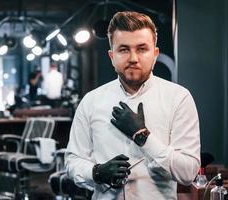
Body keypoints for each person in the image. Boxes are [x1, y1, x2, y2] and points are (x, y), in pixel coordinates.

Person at [65, 11, 200, 200]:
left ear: (155, 54)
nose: (133, 58)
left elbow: (188, 173)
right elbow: (72, 161)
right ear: (112, 56)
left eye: (142, 49)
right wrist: (97, 172)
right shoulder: (91, 101)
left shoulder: (178, 98)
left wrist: (143, 137)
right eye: (124, 49)